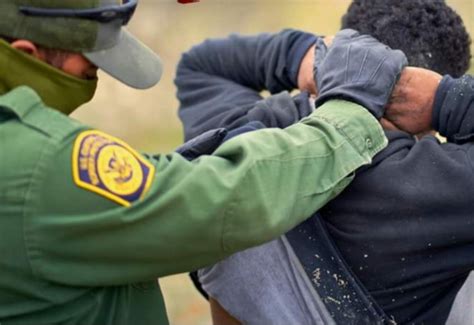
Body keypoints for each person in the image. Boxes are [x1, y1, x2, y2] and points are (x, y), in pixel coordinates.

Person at [0, 1, 409, 324]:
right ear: (25, 53)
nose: (97, 78)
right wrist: (349, 115)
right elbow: (221, 201)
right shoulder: (38, 166)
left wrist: (294, 53)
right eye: (89, 66)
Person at [175, 1, 473, 324]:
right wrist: (445, 100)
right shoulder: (445, 190)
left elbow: (200, 64)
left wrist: (303, 54)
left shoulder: (252, 132)